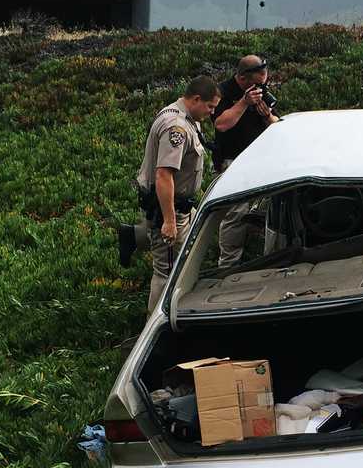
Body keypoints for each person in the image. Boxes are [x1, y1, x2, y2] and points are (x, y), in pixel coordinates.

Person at [118, 76, 221, 312]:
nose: (212, 112)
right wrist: (169, 221)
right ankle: (156, 325)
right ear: (196, 99)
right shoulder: (177, 128)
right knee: (168, 273)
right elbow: (164, 175)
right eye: (210, 106)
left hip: (179, 205)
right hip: (171, 207)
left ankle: (135, 236)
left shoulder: (182, 115)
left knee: (191, 238)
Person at [212, 55, 280, 268]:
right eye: (257, 84)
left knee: (273, 208)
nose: (261, 87)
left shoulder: (262, 90)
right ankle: (229, 265)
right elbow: (221, 124)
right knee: (236, 213)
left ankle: (270, 258)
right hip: (233, 161)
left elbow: (278, 124)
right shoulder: (224, 92)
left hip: (260, 159)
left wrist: (267, 115)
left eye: (264, 82)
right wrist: (243, 102)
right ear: (242, 78)